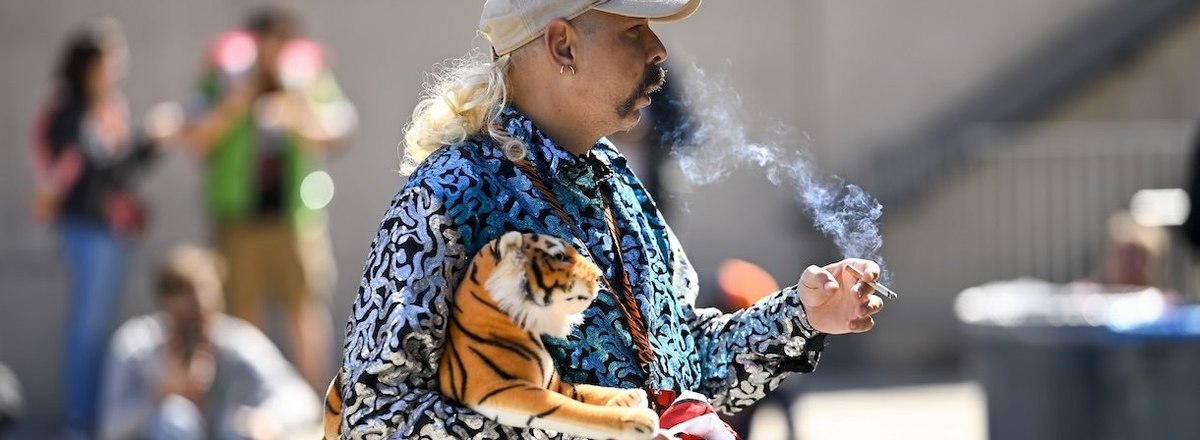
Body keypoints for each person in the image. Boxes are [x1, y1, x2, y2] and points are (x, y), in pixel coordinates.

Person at [335, 1, 886, 437]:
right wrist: (595, 429)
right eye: (634, 29)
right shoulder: (449, 191)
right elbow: (378, 416)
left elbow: (681, 365)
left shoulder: (614, 178)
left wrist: (803, 314)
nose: (658, 48)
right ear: (562, 45)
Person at [179, 6, 356, 391]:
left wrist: (297, 113)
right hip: (238, 219)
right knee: (243, 317)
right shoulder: (225, 73)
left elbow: (338, 129)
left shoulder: (306, 76)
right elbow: (195, 135)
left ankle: (315, 405)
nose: (273, 52)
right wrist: (235, 103)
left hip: (296, 218)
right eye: (266, 42)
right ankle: (251, 401)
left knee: (304, 312)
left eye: (281, 42)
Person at [29, 18, 170, 436]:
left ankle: (93, 417)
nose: (117, 67)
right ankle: (81, 420)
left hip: (109, 233)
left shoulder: (105, 106)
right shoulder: (69, 111)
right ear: (89, 63)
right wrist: (147, 139)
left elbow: (120, 174)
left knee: (97, 328)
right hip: (86, 232)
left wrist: (150, 145)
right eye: (111, 59)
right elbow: (95, 174)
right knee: (87, 330)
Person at [98, 245, 320, 440]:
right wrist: (159, 397)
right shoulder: (137, 346)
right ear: (165, 301)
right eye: (184, 305)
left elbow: (301, 399)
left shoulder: (236, 342)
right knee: (174, 421)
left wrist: (266, 419)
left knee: (239, 428)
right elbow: (111, 426)